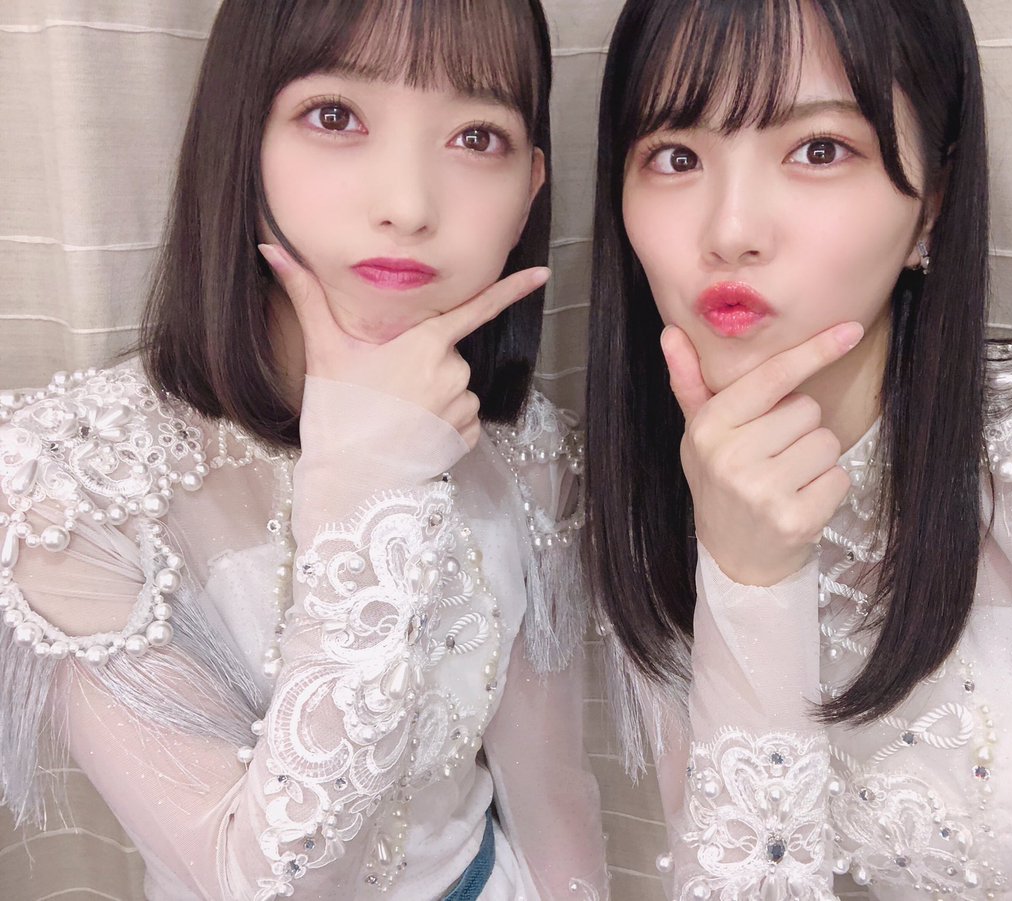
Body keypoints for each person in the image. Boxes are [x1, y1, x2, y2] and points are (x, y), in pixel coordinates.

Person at [584, 0, 1012, 898]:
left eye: (819, 149)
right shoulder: (665, 508)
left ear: (932, 203)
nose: (731, 230)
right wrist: (747, 582)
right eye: (676, 157)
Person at [0, 1, 607, 898]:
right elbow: (259, 883)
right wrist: (366, 489)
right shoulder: (75, 485)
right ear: (243, 138)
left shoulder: (525, 453)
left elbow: (554, 807)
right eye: (335, 116)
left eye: (477, 138)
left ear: (531, 187)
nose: (407, 206)